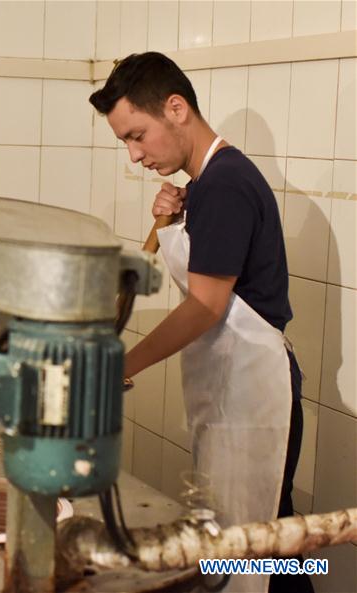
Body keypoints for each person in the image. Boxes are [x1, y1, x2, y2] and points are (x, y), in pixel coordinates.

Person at [89, 52, 312, 593]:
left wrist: (121, 365)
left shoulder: (225, 183)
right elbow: (180, 274)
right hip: (236, 382)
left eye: (138, 135)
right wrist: (168, 220)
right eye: (125, 141)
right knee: (261, 544)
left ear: (176, 108)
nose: (135, 154)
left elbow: (207, 305)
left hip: (256, 389)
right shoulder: (209, 182)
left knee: (255, 549)